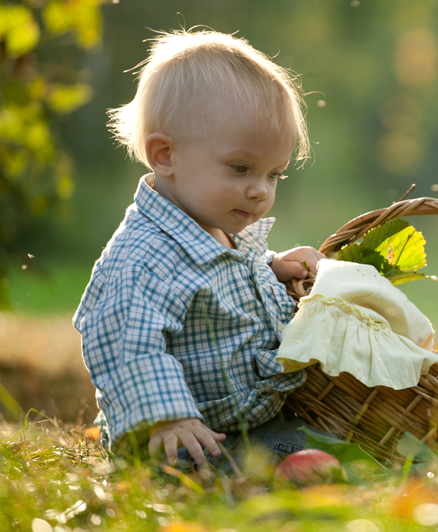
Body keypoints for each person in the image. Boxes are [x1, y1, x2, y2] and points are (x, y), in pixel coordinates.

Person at [73, 29, 326, 470]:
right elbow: (126, 344)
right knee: (323, 465)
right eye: (241, 168)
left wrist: (273, 265)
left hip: (241, 420)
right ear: (165, 155)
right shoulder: (143, 258)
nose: (259, 192)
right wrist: (167, 419)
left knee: (335, 446)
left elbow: (221, 277)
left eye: (274, 175)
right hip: (188, 443)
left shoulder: (213, 223)